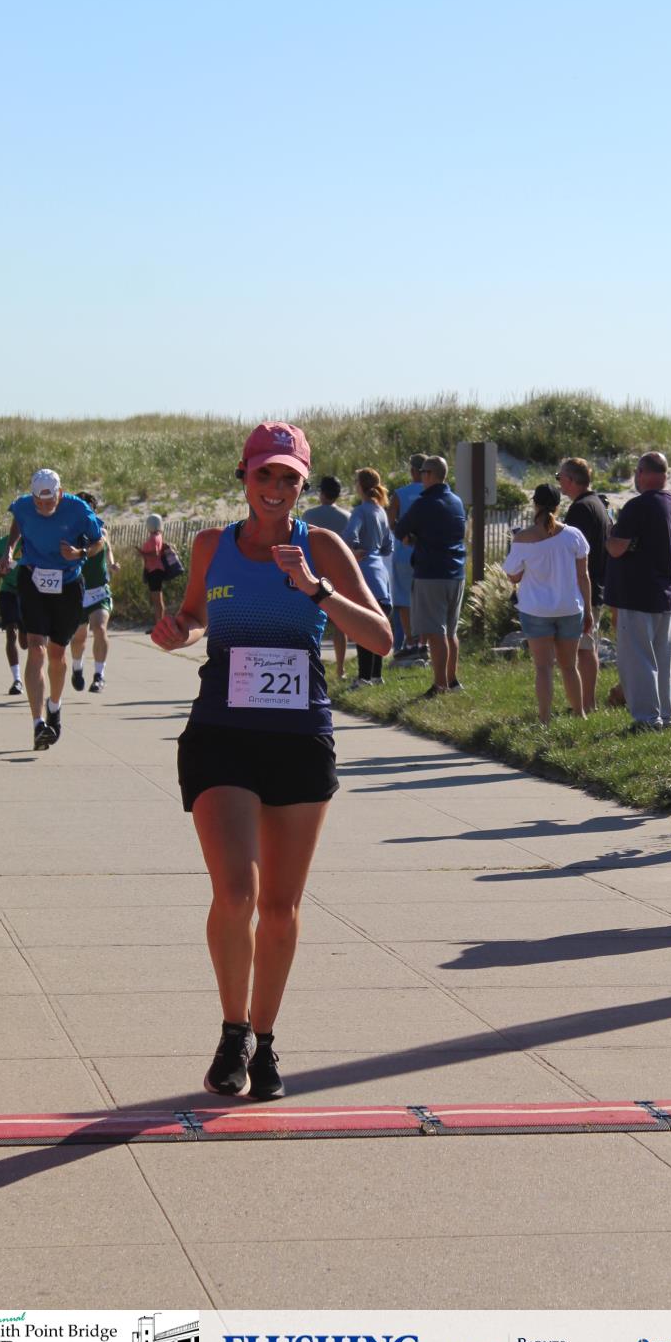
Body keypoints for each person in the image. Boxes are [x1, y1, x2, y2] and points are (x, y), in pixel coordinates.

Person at [153, 421, 392, 1099]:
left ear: (302, 484)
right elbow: (195, 615)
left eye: (290, 477)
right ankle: (233, 1032)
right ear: (245, 476)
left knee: (281, 907)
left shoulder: (323, 547)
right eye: (266, 474)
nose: (277, 488)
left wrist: (315, 589)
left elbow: (381, 637)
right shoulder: (210, 545)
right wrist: (178, 630)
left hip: (298, 740)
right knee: (237, 894)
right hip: (221, 734)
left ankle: (265, 1041)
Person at [0, 469, 104, 749]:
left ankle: (54, 706)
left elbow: (98, 542)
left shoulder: (78, 509)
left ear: (60, 493)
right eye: (38, 502)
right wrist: (9, 549)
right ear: (32, 497)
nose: (44, 508)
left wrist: (80, 553)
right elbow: (19, 522)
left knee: (57, 654)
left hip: (68, 585)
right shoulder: (23, 505)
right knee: (36, 648)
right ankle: (38, 724)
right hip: (33, 579)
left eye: (49, 502)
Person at [604, 452, 671, 731]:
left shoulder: (638, 506)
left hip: (636, 593)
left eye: (638, 471)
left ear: (643, 472)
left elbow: (617, 548)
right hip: (664, 593)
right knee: (660, 660)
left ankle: (647, 719)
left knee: (638, 659)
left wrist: (609, 534)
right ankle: (664, 716)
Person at [503, 484, 592, 724]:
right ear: (558, 505)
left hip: (536, 609)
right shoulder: (574, 535)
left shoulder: (523, 538)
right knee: (569, 666)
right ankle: (580, 714)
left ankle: (544, 719)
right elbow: (583, 576)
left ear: (535, 504)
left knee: (543, 667)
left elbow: (513, 575)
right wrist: (588, 610)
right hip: (570, 607)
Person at [393, 455, 466, 698]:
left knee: (435, 632)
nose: (420, 476)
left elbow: (401, 530)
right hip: (456, 572)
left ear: (430, 475)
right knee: (451, 631)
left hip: (431, 573)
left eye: (423, 471)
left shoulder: (424, 503)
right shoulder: (456, 501)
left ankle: (440, 685)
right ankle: (452, 680)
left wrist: (415, 538)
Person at [556, 458, 610, 712]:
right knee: (587, 646)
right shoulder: (597, 503)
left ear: (571, 480)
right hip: (595, 584)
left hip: (584, 587)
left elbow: (573, 552)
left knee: (584, 648)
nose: (559, 483)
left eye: (560, 477)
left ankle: (586, 704)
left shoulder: (581, 509)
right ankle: (585, 702)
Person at [343, 468, 394, 687]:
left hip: (364, 572)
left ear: (360, 486)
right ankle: (376, 675)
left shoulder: (360, 511)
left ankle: (363, 678)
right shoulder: (381, 511)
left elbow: (349, 536)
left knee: (363, 627)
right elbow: (388, 546)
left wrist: (354, 550)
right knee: (379, 626)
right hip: (381, 574)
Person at [303, 476, 351, 681]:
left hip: (314, 574)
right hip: (338, 574)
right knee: (340, 624)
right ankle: (340, 668)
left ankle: (312, 664)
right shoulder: (347, 517)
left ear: (322, 493)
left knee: (312, 622)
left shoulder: (309, 515)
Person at [70, 492, 119, 694]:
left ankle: (99, 675)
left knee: (99, 628)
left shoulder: (101, 531)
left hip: (99, 590)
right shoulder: (71, 533)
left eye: (89, 510)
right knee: (79, 637)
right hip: (77, 592)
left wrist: (112, 564)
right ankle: (77, 668)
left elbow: (108, 550)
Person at [387, 454, 429, 663]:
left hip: (404, 552)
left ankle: (410, 641)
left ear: (413, 471)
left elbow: (391, 522)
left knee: (404, 600)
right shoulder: (432, 493)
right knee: (424, 598)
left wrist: (404, 533)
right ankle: (423, 641)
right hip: (427, 552)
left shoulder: (400, 494)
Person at [0, 533, 27, 695]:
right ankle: (17, 680)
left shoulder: (32, 540)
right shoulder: (2, 544)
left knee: (25, 643)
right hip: (8, 591)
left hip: (29, 592)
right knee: (11, 633)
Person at [138, 514, 167, 631]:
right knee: (158, 599)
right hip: (156, 570)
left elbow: (155, 553)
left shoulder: (154, 537)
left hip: (154, 570)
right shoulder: (159, 536)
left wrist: (142, 553)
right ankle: (159, 624)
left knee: (157, 600)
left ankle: (159, 626)